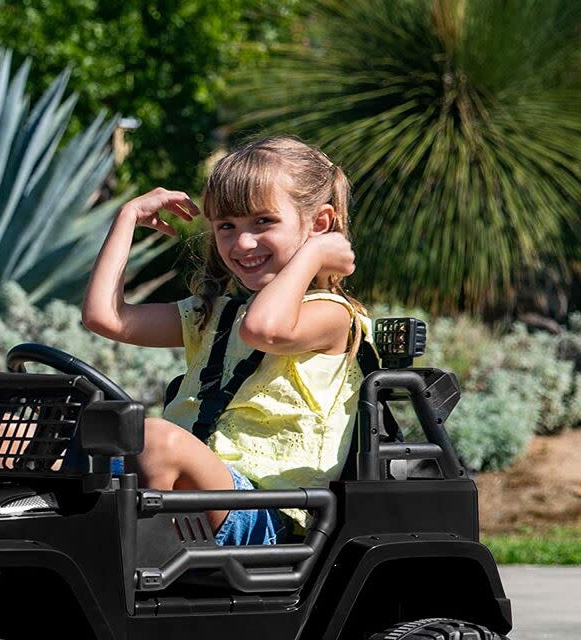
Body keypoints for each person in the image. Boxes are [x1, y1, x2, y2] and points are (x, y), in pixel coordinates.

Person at [81, 135, 372, 545]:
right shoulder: (215, 316)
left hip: (263, 513)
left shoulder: (333, 316)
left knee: (158, 439)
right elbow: (105, 317)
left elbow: (265, 329)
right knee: (22, 434)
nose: (242, 243)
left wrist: (314, 254)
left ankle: (119, 568)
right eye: (226, 227)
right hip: (192, 493)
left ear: (319, 225)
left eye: (263, 222)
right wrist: (126, 217)